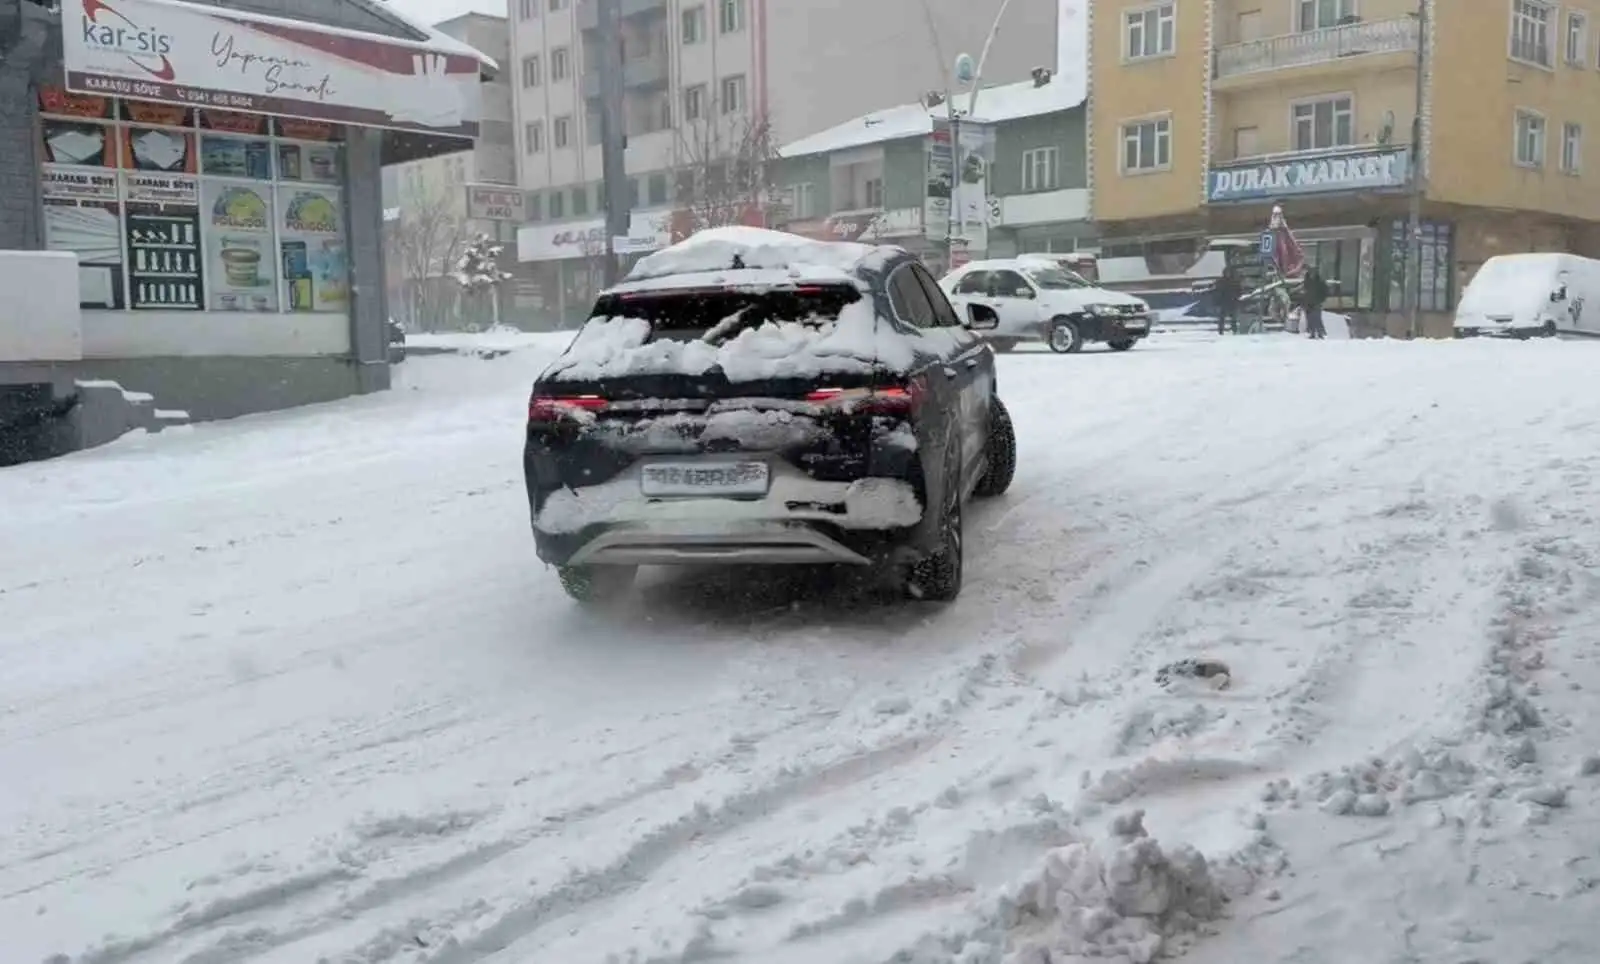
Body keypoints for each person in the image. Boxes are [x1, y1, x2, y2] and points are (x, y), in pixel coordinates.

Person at [1300, 266, 1329, 340]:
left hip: (1316, 302)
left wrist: (1321, 299)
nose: (1312, 274)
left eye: (1313, 272)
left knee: (1317, 317)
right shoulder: (1307, 281)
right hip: (1308, 302)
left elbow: (1325, 291)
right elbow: (1305, 292)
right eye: (1311, 272)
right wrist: (1304, 302)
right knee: (1310, 318)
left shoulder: (1319, 281)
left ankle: (1320, 333)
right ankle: (1312, 332)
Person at [1215, 263, 1241, 336]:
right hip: (1223, 301)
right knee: (1222, 318)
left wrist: (1237, 297)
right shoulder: (1221, 281)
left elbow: (1239, 291)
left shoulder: (1235, 281)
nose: (1228, 274)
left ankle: (1234, 330)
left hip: (1232, 301)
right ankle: (1221, 331)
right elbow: (1217, 292)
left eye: (1229, 272)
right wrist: (1217, 301)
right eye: (1227, 272)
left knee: (1233, 318)